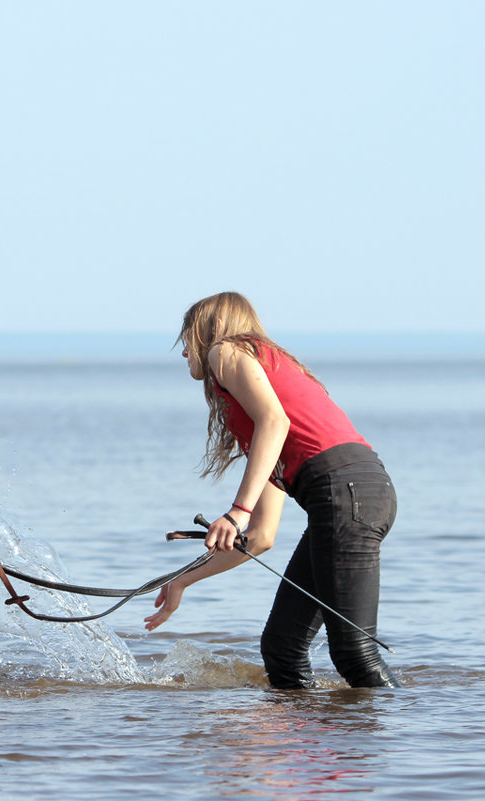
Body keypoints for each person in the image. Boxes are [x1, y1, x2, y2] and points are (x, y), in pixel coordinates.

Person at [144, 292, 400, 689]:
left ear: (209, 332)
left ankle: (392, 743)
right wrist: (181, 580)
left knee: (353, 652)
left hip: (347, 492)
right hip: (352, 495)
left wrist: (237, 511)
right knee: (283, 649)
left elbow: (274, 422)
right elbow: (262, 537)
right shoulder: (263, 429)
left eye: (188, 337)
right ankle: (305, 746)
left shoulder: (224, 352)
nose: (184, 352)